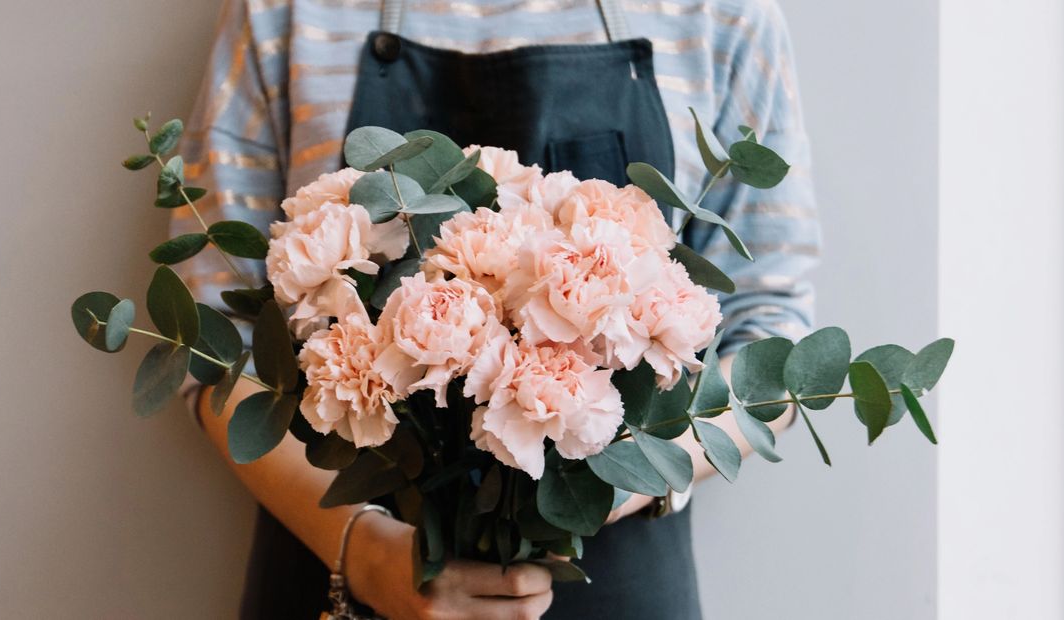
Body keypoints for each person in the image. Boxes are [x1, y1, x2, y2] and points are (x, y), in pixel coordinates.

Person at [175, 0, 820, 617]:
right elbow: (214, 350)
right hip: (342, 571)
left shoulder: (720, 14)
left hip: (614, 572)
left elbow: (774, 338)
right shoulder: (284, 11)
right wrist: (365, 555)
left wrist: (617, 473)